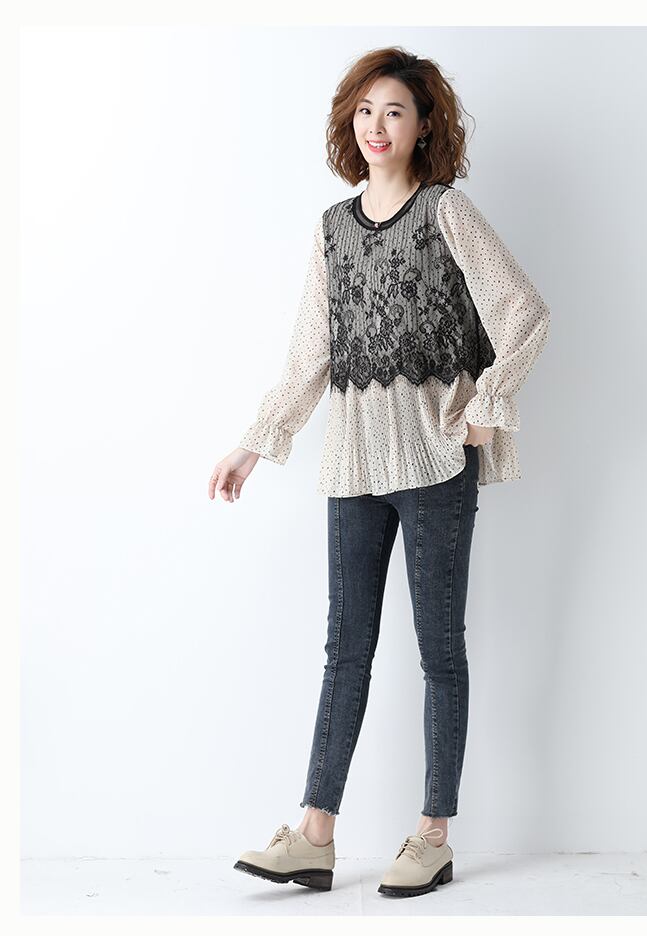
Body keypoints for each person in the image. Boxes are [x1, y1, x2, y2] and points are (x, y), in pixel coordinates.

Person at [208, 46, 550, 899]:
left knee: (440, 650)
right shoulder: (332, 228)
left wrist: (489, 402)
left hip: (435, 461)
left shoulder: (446, 210)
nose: (377, 125)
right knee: (345, 652)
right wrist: (255, 442)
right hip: (355, 461)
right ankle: (314, 835)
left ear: (424, 125)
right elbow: (308, 356)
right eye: (365, 110)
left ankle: (432, 835)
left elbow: (524, 309)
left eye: (394, 110)